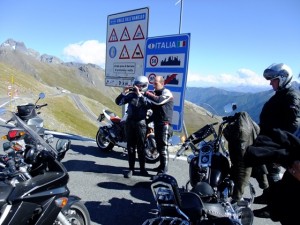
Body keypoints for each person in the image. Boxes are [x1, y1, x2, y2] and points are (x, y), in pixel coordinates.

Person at [253, 63, 300, 218]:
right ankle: (268, 195)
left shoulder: (291, 96)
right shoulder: (281, 93)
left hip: (278, 143)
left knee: (273, 171)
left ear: (283, 79)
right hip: (269, 140)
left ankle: (273, 207)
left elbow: (293, 124)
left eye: (273, 80)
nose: (270, 83)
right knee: (264, 166)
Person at [115, 75, 151, 178]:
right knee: (130, 147)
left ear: (144, 86)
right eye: (136, 85)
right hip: (130, 122)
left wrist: (139, 94)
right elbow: (118, 102)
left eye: (139, 86)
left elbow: (148, 105)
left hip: (141, 123)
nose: (136, 88)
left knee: (141, 148)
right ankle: (131, 169)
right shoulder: (130, 95)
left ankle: (142, 169)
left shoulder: (148, 95)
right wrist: (124, 92)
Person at [144, 76, 174, 175]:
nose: (154, 85)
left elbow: (158, 101)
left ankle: (163, 171)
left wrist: (146, 93)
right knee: (159, 146)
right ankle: (161, 166)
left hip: (165, 124)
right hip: (158, 124)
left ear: (162, 83)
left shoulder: (167, 93)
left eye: (156, 83)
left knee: (163, 148)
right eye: (153, 83)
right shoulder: (156, 93)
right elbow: (154, 108)